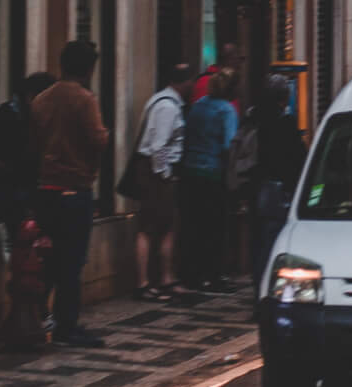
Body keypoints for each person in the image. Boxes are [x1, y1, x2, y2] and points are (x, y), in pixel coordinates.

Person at [29, 42, 110, 347]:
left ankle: (39, 315)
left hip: (46, 188)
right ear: (89, 69)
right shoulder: (84, 100)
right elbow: (97, 140)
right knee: (72, 262)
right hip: (75, 190)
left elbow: (35, 142)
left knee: (47, 259)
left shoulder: (41, 100)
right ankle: (67, 325)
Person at [131, 63, 195, 302]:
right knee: (150, 227)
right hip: (156, 173)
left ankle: (164, 278)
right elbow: (158, 146)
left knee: (165, 225)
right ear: (183, 82)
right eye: (190, 82)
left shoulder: (160, 101)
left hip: (154, 171)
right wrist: (165, 174)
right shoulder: (167, 107)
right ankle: (145, 283)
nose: (192, 86)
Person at [179, 68, 240, 293]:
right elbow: (228, 146)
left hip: (190, 173)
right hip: (213, 174)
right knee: (214, 228)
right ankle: (214, 275)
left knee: (193, 226)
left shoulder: (199, 105)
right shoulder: (226, 110)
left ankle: (192, 274)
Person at [248, 75, 307, 290]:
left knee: (258, 243)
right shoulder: (285, 123)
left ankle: (258, 290)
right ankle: (268, 292)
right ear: (285, 97)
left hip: (255, 187)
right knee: (273, 242)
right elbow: (297, 158)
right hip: (276, 190)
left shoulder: (254, 117)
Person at [0, 70, 56, 239]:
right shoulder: (7, 117)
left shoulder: (28, 116)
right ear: (31, 97)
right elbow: (7, 159)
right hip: (11, 192)